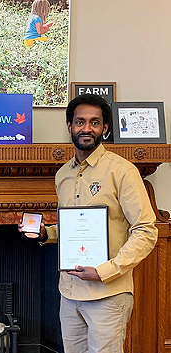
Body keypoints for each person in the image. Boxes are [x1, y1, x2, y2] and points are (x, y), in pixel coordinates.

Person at [20, 94, 158, 352]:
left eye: (95, 123)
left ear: (104, 128)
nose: (87, 128)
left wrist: (105, 271)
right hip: (70, 293)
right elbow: (76, 229)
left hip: (108, 294)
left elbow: (146, 230)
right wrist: (45, 233)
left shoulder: (123, 171)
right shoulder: (63, 175)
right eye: (80, 122)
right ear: (69, 126)